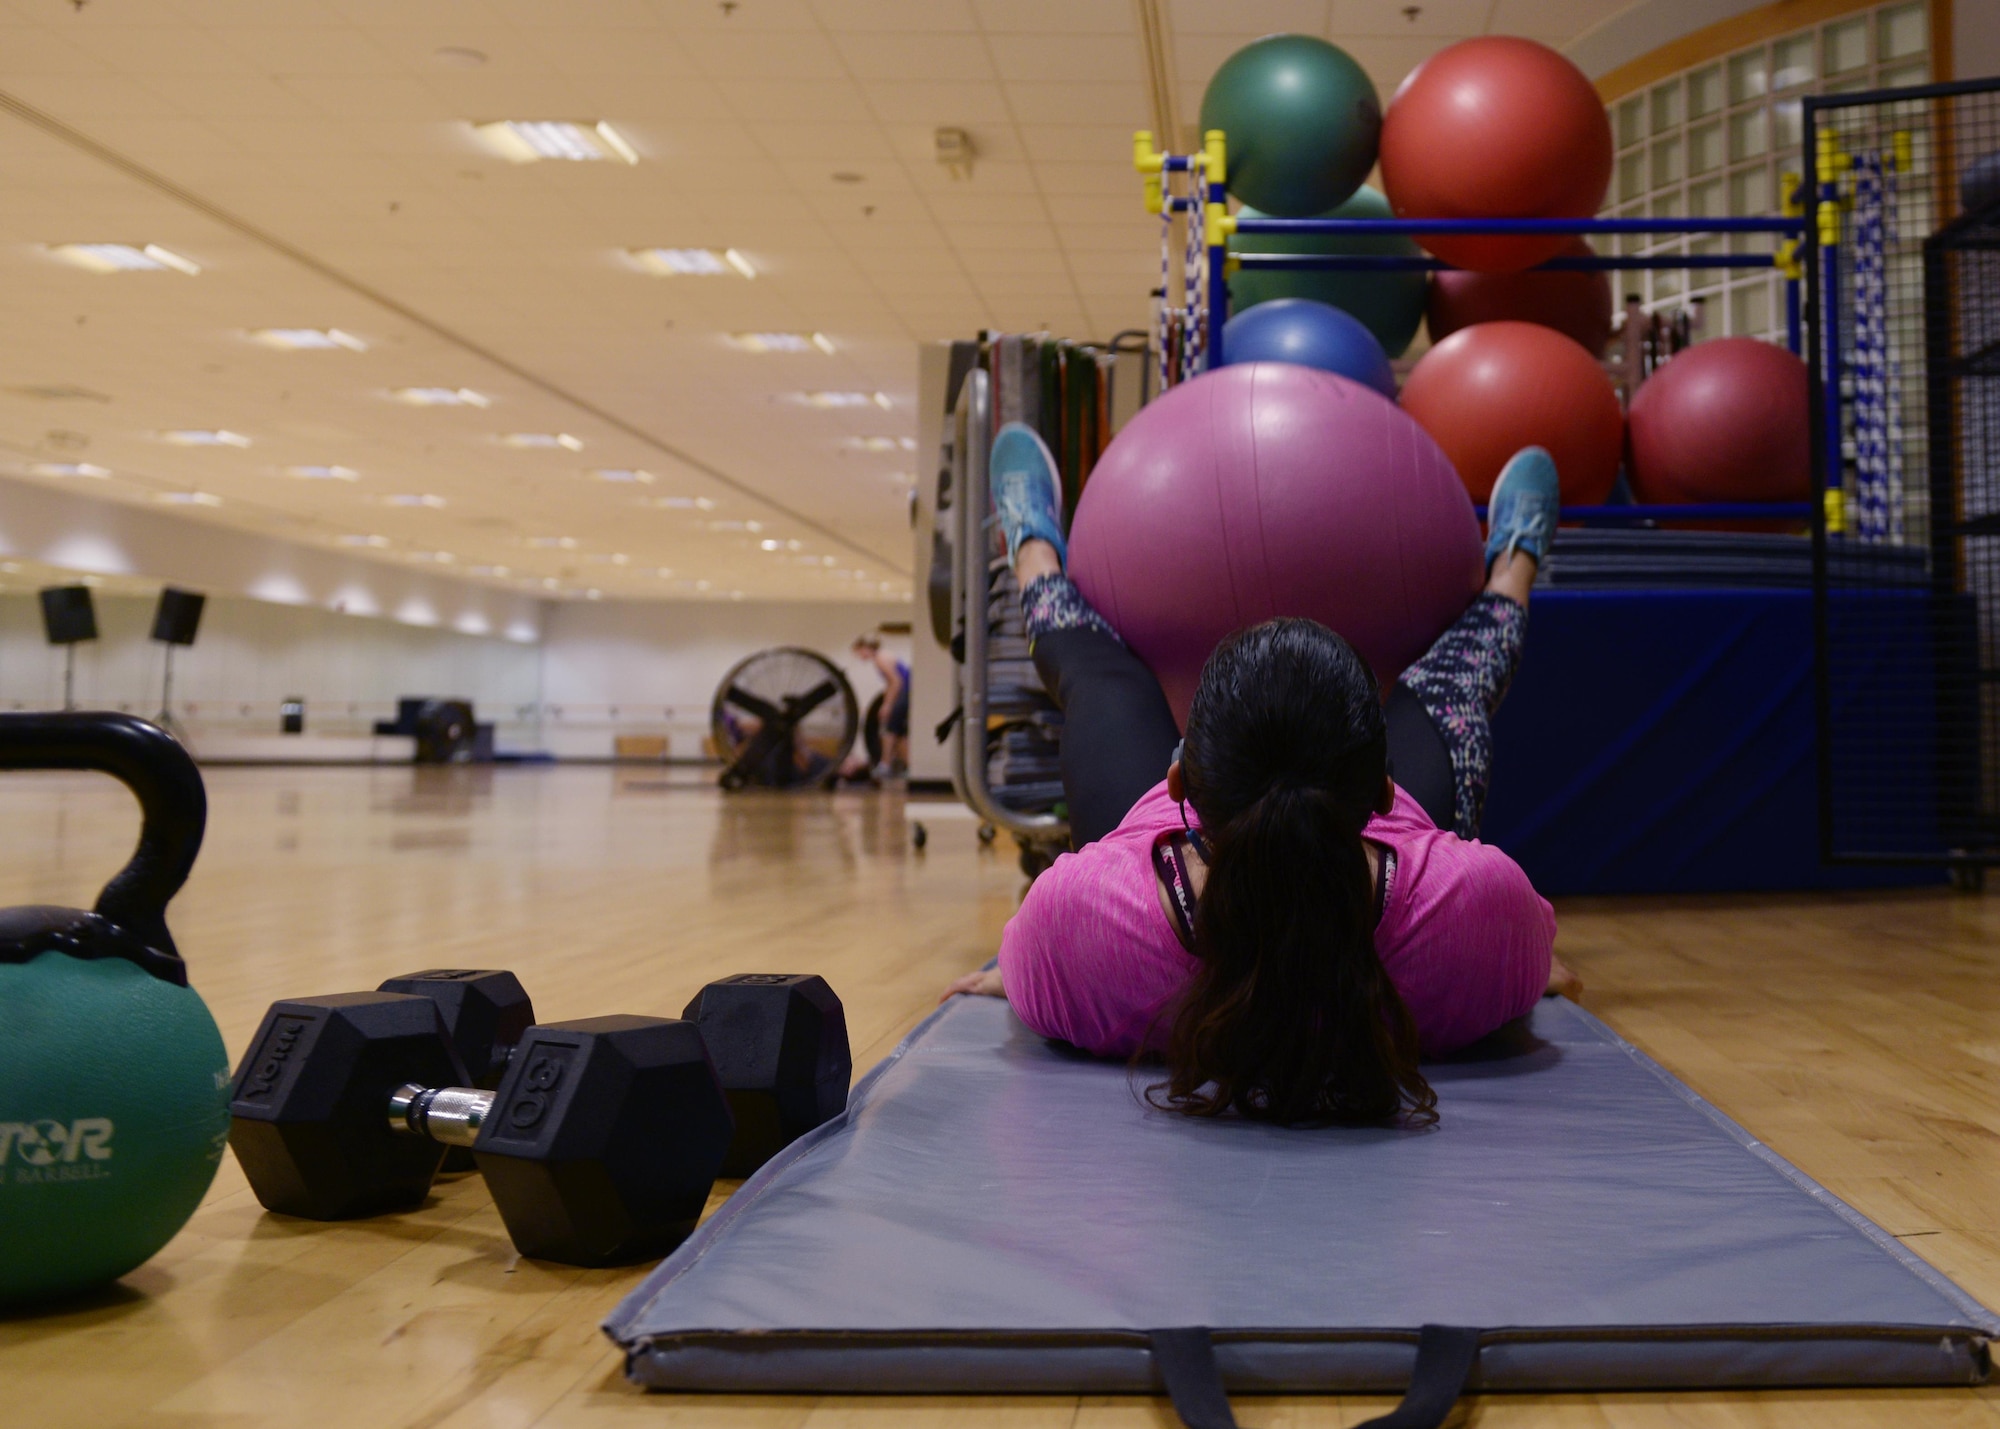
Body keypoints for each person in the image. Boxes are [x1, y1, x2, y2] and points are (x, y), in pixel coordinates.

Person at [942, 422, 1579, 1128]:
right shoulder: (1486, 912)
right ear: (1385, 792)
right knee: (1452, 687)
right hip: (1405, 883)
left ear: (1178, 777)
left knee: (1100, 682)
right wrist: (1515, 961)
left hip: (1141, 897)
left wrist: (1029, 963)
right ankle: (1515, 564)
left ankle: (1031, 550)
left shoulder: (1071, 924)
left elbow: (1030, 958)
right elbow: (1528, 948)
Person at [851, 634, 910, 778]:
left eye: (859, 652)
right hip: (907, 692)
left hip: (905, 692)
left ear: (866, 648)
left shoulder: (880, 659)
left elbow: (896, 682)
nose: (859, 656)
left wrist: (887, 705)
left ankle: (885, 764)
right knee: (899, 733)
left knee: (889, 729)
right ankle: (910, 766)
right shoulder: (884, 656)